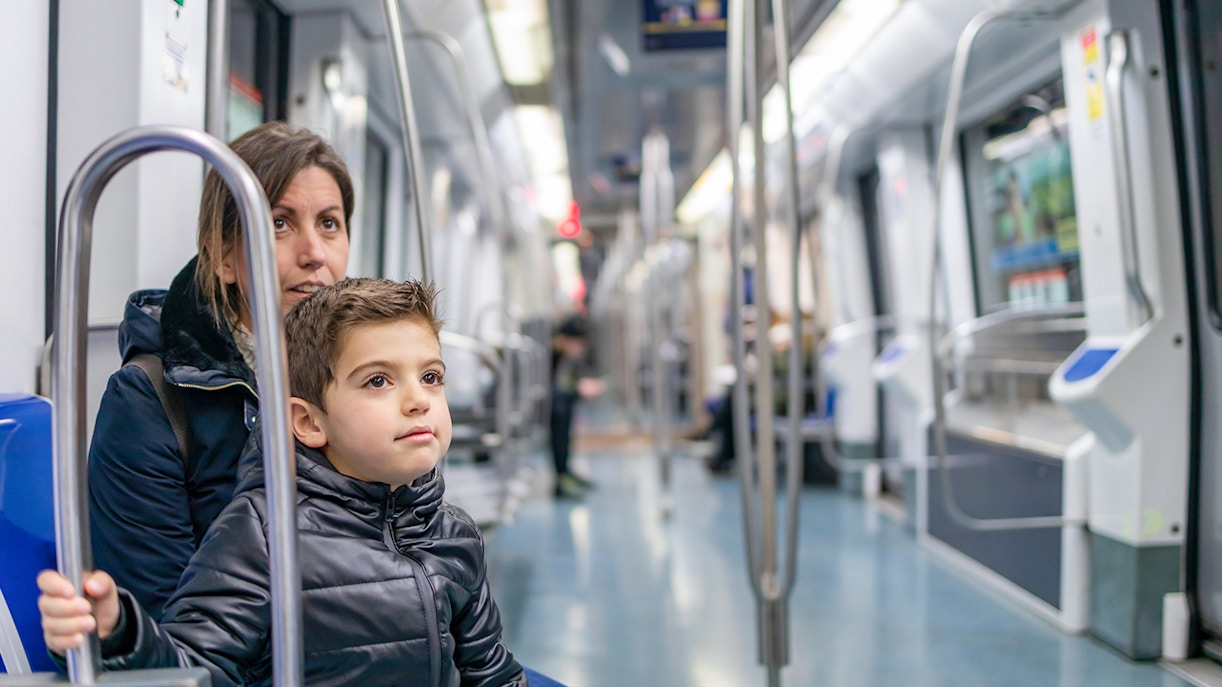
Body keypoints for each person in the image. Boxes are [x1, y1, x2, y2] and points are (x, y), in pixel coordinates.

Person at [38, 278, 527, 687]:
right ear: (309, 422)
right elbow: (198, 670)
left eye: (431, 376)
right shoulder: (263, 534)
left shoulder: (454, 534)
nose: (419, 400)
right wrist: (119, 634)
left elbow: (493, 674)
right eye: (378, 380)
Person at [87, 120, 353, 620]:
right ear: (222, 255)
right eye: (279, 222)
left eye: (329, 224)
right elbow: (162, 628)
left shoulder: (362, 381)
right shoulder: (149, 403)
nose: (314, 253)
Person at [549, 315, 603, 498]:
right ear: (564, 339)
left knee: (565, 407)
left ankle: (564, 471)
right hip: (523, 407)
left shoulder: (559, 356)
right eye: (578, 345)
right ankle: (561, 476)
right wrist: (578, 391)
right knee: (560, 410)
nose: (580, 350)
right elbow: (545, 393)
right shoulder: (544, 354)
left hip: (540, 404)